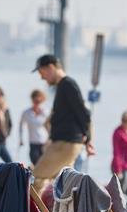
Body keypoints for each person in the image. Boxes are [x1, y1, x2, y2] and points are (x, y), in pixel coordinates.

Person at [31, 55, 93, 193]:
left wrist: (88, 139)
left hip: (66, 144)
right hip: (64, 143)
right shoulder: (63, 86)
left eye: (42, 73)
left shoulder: (68, 85)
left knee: (35, 181)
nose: (42, 78)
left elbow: (84, 113)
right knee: (62, 186)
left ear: (51, 68)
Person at [19, 89, 49, 166]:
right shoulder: (27, 112)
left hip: (44, 142)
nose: (37, 104)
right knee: (35, 161)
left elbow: (49, 126)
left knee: (44, 164)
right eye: (35, 101)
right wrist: (21, 139)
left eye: (39, 102)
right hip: (33, 142)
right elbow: (21, 125)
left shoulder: (45, 112)